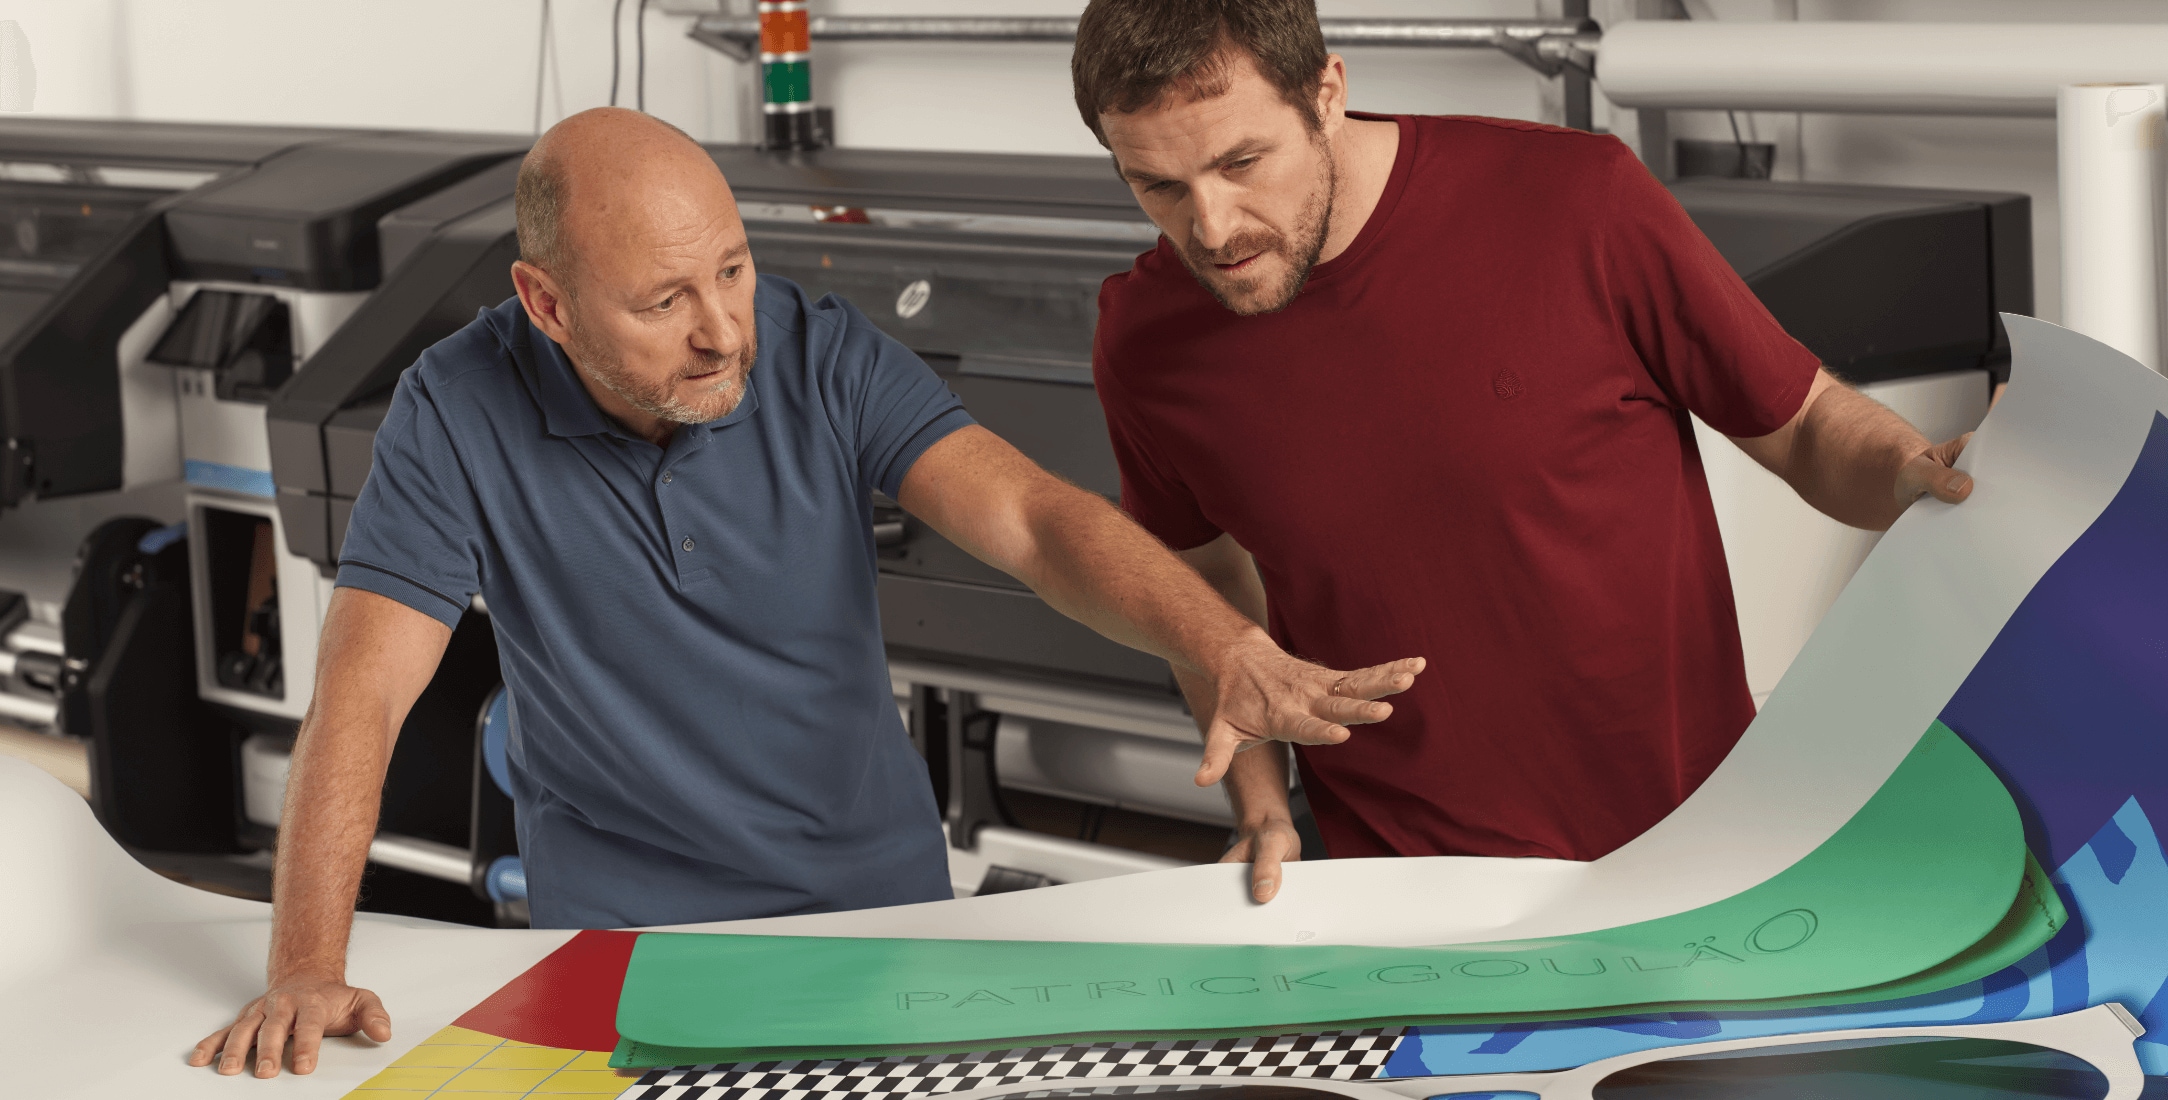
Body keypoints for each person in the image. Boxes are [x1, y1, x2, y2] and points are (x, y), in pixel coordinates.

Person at [189, 107, 1423, 1079]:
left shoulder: (819, 350)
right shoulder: (453, 407)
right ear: (545, 303)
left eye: (730, 269)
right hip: (618, 941)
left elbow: (1036, 522)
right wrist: (306, 960)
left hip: (876, 915)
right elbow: (363, 690)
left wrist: (1224, 643)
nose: (724, 331)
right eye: (663, 301)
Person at [1072, 0, 1979, 904]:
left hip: (1691, 855)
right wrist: (1260, 802)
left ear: (1327, 94)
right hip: (1397, 891)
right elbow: (1199, 589)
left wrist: (1908, 473)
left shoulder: (1576, 198)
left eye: (1241, 163)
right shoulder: (1146, 340)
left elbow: (1806, 425)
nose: (1214, 227)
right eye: (1158, 185)